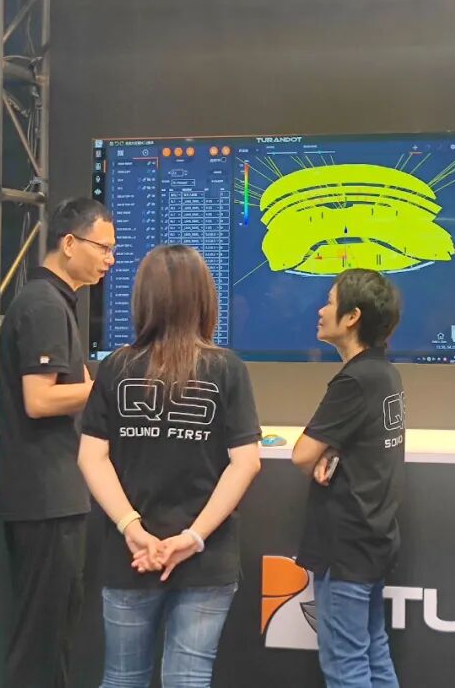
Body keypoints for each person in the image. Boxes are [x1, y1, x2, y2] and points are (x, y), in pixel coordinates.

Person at [78, 244, 263, 687]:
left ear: (143, 298)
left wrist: (132, 528)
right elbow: (245, 462)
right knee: (188, 678)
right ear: (205, 299)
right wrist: (193, 538)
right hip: (206, 557)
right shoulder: (227, 369)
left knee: (122, 678)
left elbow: (91, 456)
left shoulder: (116, 367)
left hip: (132, 555)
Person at [0, 197, 115, 687]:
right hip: (45, 497)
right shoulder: (44, 304)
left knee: (53, 636)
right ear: (69, 243)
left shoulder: (55, 302)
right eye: (102, 248)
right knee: (41, 643)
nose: (110, 259)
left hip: (54, 495)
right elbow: (40, 400)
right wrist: (109, 386)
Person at [292, 268, 406, 688]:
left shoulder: (354, 380)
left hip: (346, 547)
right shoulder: (384, 373)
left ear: (352, 316)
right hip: (373, 540)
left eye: (329, 301)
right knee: (373, 654)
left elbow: (302, 454)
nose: (321, 311)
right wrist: (334, 448)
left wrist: (324, 450)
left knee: (345, 666)